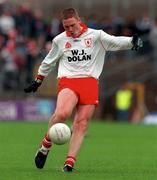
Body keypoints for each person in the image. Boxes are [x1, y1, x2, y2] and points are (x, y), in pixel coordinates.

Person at [24, 8, 143, 172]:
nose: (70, 30)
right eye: (66, 27)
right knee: (62, 113)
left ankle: (69, 162)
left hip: (90, 82)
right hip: (68, 80)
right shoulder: (60, 40)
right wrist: (38, 80)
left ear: (78, 20)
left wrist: (132, 42)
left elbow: (115, 42)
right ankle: (45, 146)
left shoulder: (96, 36)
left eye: (72, 25)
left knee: (82, 124)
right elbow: (48, 61)